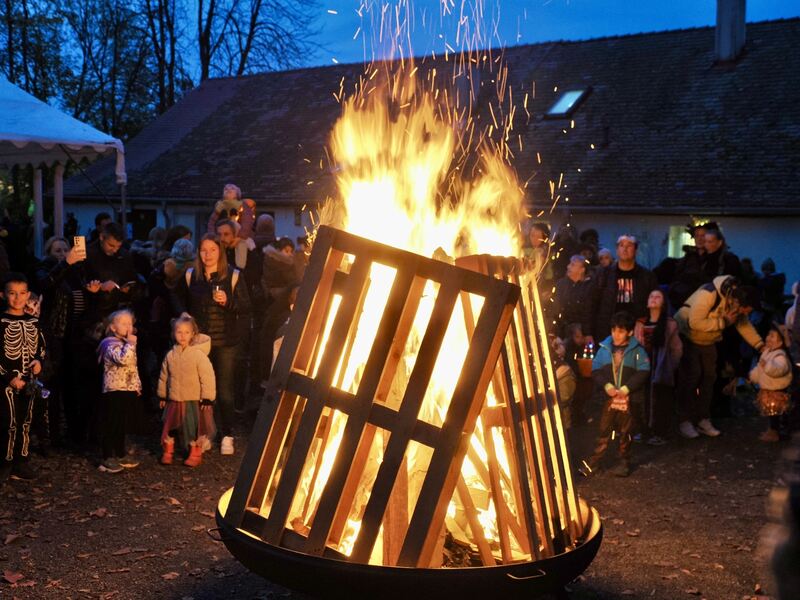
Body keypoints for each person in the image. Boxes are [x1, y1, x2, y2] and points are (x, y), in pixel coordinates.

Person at [173, 234, 250, 456]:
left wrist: (229, 302)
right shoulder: (191, 276)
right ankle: (204, 433)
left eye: (212, 250)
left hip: (226, 341)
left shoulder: (233, 275)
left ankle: (227, 434)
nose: (207, 254)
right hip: (198, 343)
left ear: (221, 252)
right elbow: (174, 296)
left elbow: (246, 307)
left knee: (224, 391)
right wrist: (183, 313)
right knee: (199, 391)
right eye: (203, 250)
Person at [674, 276, 764, 438]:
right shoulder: (708, 294)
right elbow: (695, 322)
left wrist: (760, 345)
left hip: (709, 340)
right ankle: (684, 420)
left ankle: (702, 419)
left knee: (709, 379)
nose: (744, 313)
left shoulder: (736, 303)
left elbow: (744, 325)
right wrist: (722, 322)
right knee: (691, 377)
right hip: (688, 337)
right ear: (737, 301)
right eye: (746, 310)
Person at [582, 311, 650, 477]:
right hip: (609, 399)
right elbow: (596, 369)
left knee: (626, 432)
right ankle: (593, 463)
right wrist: (607, 386)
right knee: (603, 429)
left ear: (629, 332)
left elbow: (644, 370)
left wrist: (627, 388)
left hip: (629, 399)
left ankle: (624, 462)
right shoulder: (604, 348)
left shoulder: (637, 350)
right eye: (613, 330)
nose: (615, 334)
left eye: (620, 331)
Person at [0, 273, 46, 483]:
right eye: (12, 293)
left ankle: (22, 461)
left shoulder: (34, 322)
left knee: (26, 422)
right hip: (7, 383)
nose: (17, 298)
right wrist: (9, 377)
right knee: (8, 422)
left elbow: (41, 348)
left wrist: (38, 362)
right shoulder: (1, 323)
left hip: (29, 383)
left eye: (22, 294)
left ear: (28, 295)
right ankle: (6, 462)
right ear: (3, 295)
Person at [157, 313, 216, 467]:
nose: (182, 336)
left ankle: (194, 451)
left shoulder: (198, 355)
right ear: (174, 333)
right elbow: (164, 376)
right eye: (179, 332)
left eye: (186, 332)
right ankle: (168, 450)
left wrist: (207, 397)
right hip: (174, 399)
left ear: (193, 334)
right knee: (170, 425)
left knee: (191, 426)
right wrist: (162, 395)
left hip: (192, 399)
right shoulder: (170, 355)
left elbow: (207, 377)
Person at [634, 289, 683, 446]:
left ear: (663, 303)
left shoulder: (670, 324)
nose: (654, 299)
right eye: (651, 296)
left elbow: (676, 349)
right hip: (643, 366)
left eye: (658, 297)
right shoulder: (640, 323)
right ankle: (644, 430)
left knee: (661, 400)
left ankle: (660, 432)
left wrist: (670, 366)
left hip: (661, 366)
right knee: (643, 399)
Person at [96, 309, 141, 473]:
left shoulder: (125, 344)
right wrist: (130, 344)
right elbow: (123, 360)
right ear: (114, 328)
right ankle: (107, 456)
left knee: (122, 423)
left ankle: (120, 453)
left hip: (126, 389)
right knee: (112, 423)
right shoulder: (109, 344)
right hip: (114, 390)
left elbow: (132, 367)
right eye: (124, 323)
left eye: (130, 323)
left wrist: (136, 385)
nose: (128, 326)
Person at [594, 234, 658, 340]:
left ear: (635, 250)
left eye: (629, 246)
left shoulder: (647, 276)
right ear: (617, 249)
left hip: (636, 330)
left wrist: (643, 320)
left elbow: (655, 302)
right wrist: (588, 332)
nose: (625, 249)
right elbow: (593, 302)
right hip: (608, 329)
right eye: (621, 245)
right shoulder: (604, 274)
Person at [749, 323, 793, 442]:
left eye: (772, 336)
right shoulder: (767, 352)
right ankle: (772, 430)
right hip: (768, 390)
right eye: (768, 335)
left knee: (777, 414)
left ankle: (777, 433)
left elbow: (779, 369)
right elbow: (760, 367)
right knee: (771, 413)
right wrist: (754, 376)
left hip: (777, 392)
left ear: (780, 342)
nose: (768, 337)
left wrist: (767, 366)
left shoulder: (780, 356)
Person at [551, 255, 595, 342]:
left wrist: (586, 332)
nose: (568, 267)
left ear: (582, 269)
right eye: (569, 264)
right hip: (563, 332)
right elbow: (556, 308)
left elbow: (589, 311)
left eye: (573, 265)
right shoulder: (561, 284)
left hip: (581, 334)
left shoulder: (589, 287)